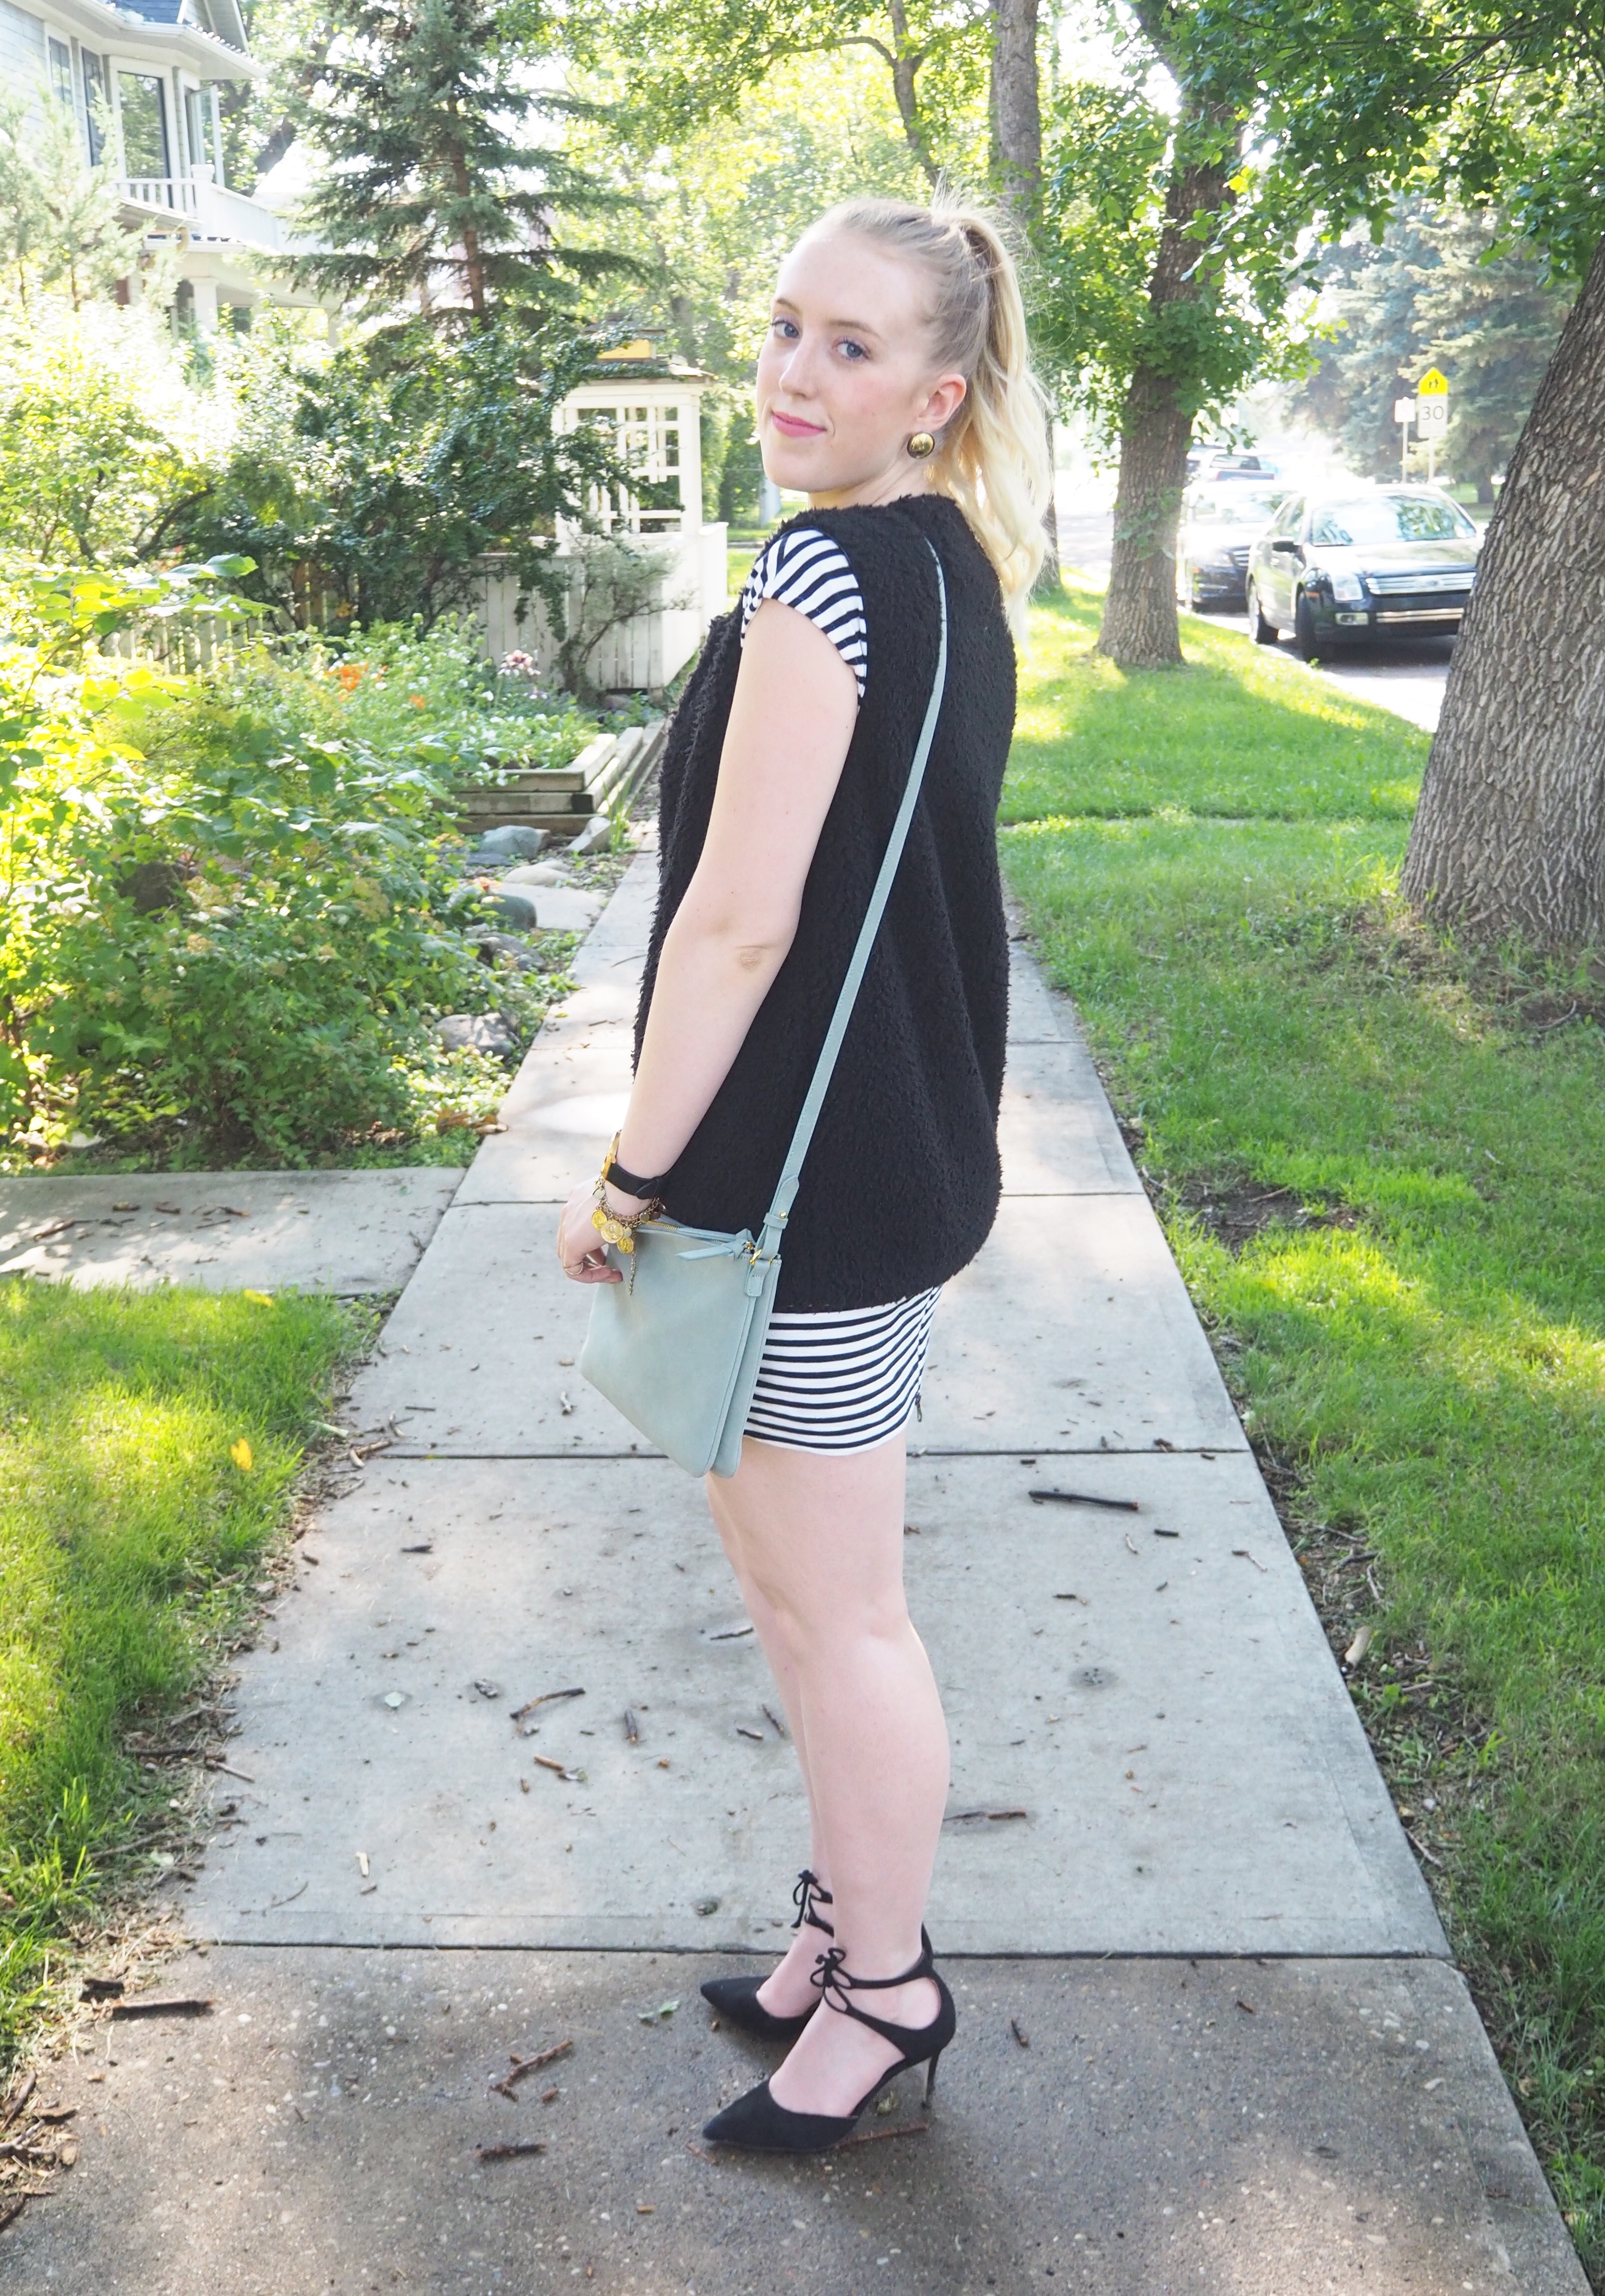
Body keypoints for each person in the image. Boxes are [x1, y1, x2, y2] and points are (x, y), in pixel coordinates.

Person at [556, 194, 1050, 2152]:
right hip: (881, 1167)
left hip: (804, 1204)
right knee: (793, 1598)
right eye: (783, 327)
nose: (792, 372)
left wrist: (623, 1173)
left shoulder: (820, 585)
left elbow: (736, 931)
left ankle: (892, 1986)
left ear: (938, 393)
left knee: (840, 1620)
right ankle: (832, 1921)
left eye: (852, 347)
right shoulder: (944, 572)